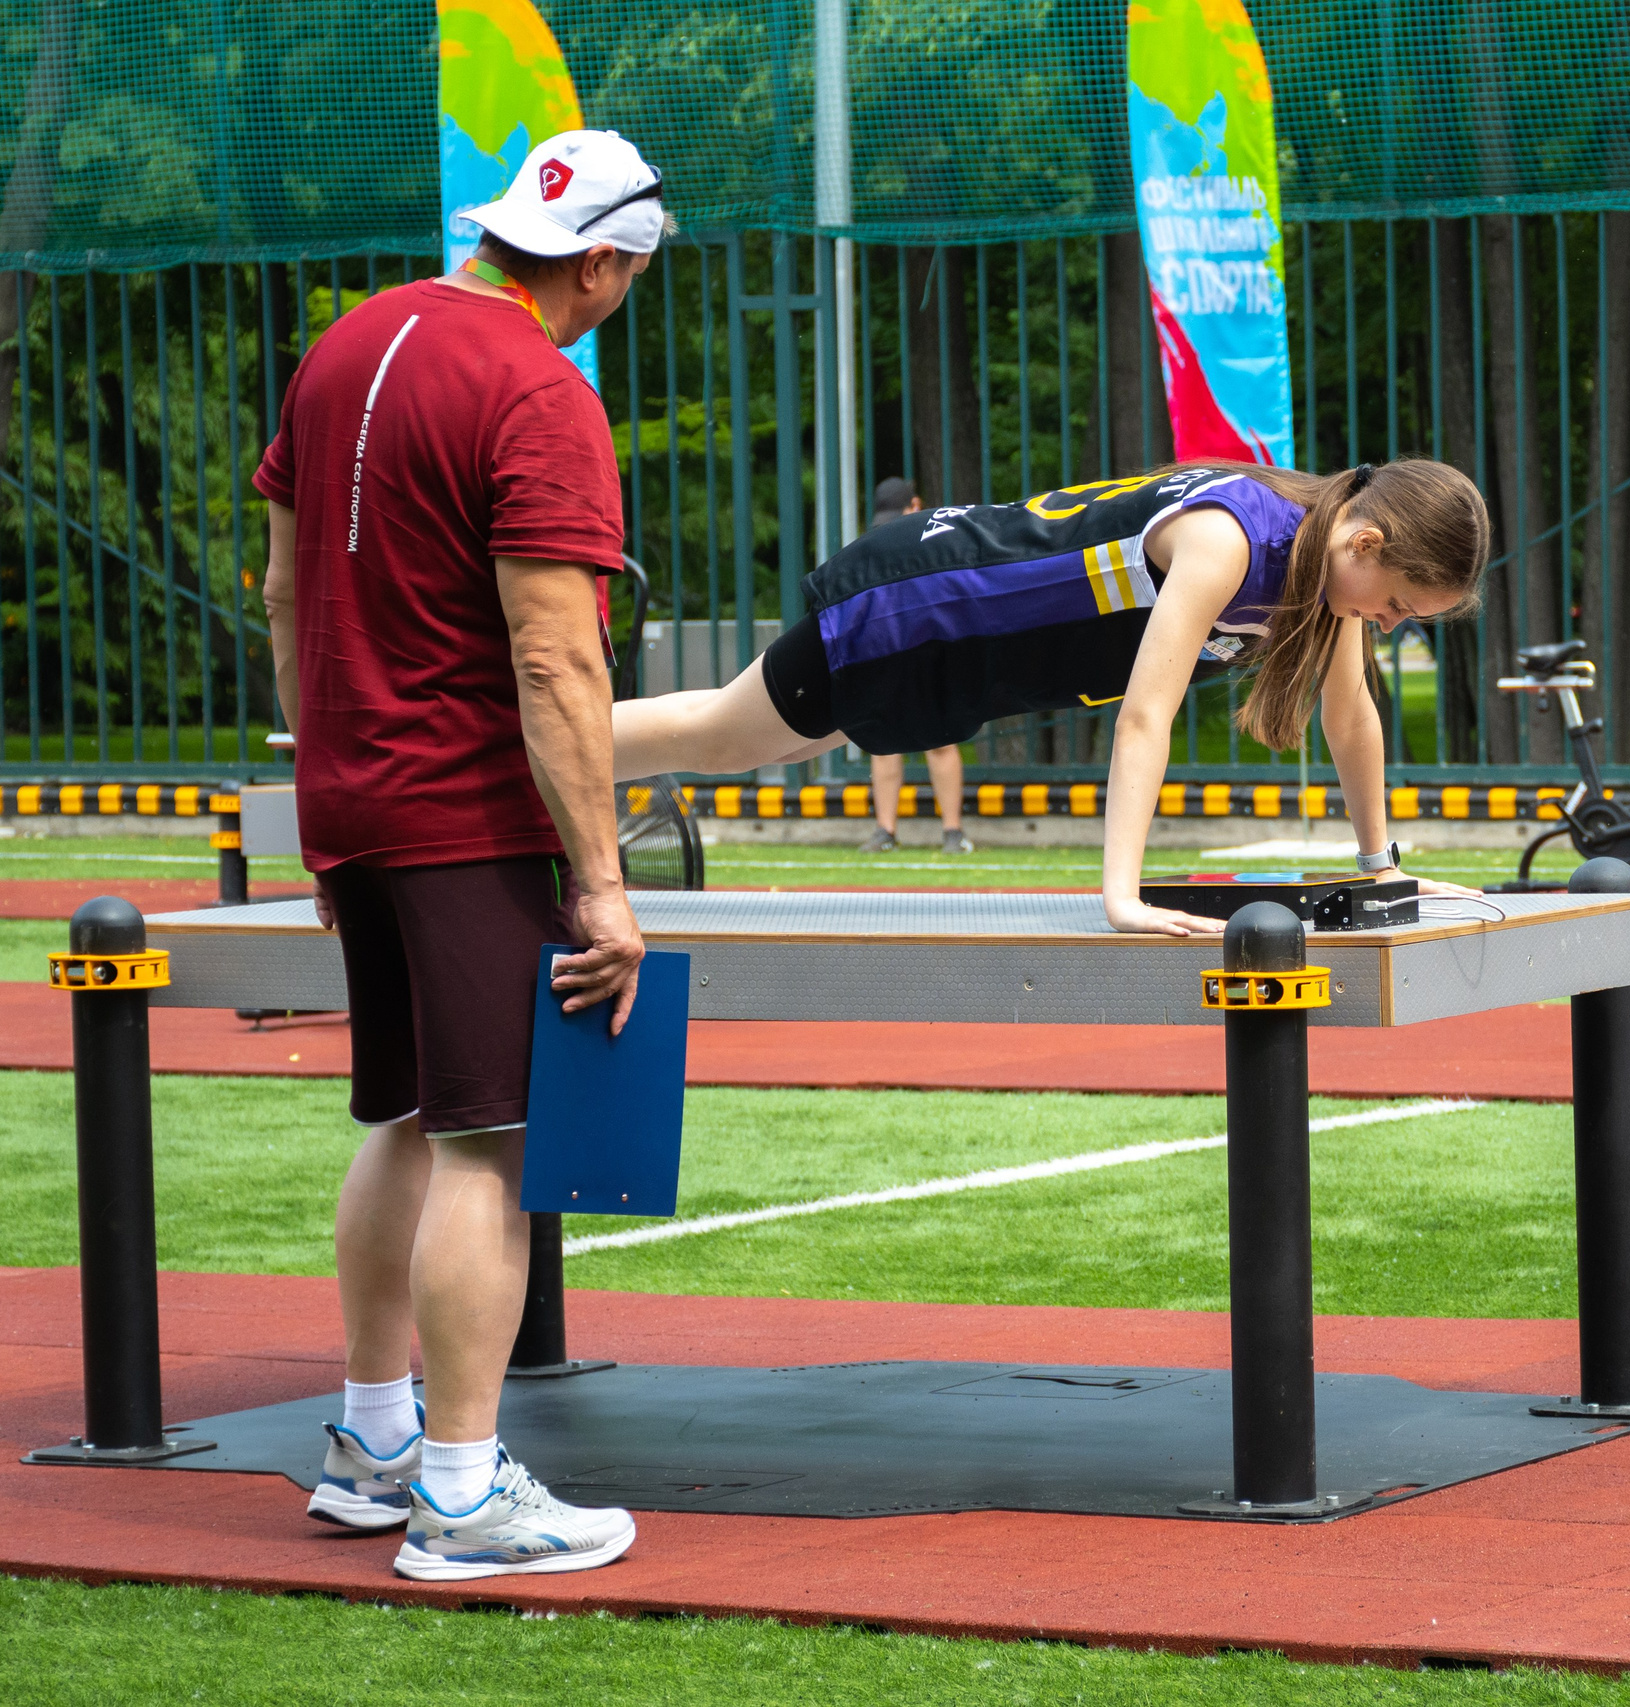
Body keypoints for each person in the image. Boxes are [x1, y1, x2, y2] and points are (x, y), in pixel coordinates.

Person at [255, 130, 664, 1581]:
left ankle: (373, 1442)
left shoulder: (347, 341)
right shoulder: (540, 389)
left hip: (356, 795)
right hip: (468, 812)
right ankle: (462, 1490)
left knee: (410, 1118)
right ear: (601, 260)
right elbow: (557, 657)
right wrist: (603, 880)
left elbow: (283, 587)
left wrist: (323, 793)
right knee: (491, 1143)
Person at [613, 460, 1489, 932]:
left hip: (973, 656)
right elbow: (1147, 713)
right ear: (1367, 541)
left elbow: (1352, 717)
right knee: (724, 733)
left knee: (775, 740)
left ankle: (538, 754)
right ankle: (524, 741)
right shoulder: (1231, 541)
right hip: (926, 604)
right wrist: (1123, 895)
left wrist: (1386, 871)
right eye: (1399, 604)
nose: (1388, 623)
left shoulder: (1318, 572)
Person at [858, 476, 970, 855]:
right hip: (889, 646)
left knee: (939, 741)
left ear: (915, 505)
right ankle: (885, 831)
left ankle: (952, 832)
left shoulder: (939, 537)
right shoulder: (878, 542)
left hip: (931, 644)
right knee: (885, 744)